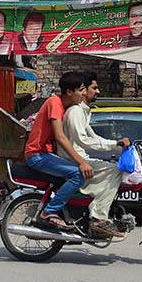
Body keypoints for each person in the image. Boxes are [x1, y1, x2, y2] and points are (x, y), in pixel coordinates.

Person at [60, 71, 131, 238]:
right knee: (115, 171)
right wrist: (115, 144)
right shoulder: (75, 112)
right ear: (83, 91)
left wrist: (116, 147)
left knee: (112, 167)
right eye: (94, 88)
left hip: (79, 156)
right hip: (74, 159)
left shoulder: (84, 112)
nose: (97, 91)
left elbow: (94, 138)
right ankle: (98, 218)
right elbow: (84, 141)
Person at [23, 71, 93, 230]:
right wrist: (81, 163)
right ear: (69, 92)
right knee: (78, 173)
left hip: (45, 154)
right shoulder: (55, 103)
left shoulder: (65, 106)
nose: (83, 93)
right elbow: (60, 137)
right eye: (81, 90)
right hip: (37, 155)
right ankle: (49, 211)